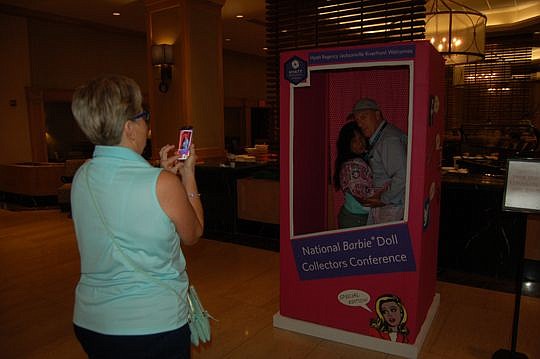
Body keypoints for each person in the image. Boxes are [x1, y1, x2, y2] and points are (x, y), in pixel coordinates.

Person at [70, 74, 204, 359]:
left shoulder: (82, 176)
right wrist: (188, 175)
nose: (147, 124)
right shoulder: (162, 184)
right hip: (152, 325)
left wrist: (162, 175)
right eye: (145, 116)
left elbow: (123, 209)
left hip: (91, 321)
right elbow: (193, 234)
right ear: (130, 128)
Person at [352, 98, 407, 224]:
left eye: (363, 117)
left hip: (391, 207)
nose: (359, 124)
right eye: (357, 120)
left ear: (377, 115)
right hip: (387, 205)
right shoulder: (383, 136)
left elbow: (402, 175)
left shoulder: (388, 140)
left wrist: (383, 199)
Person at [333, 121, 375, 228]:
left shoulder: (361, 159)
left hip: (356, 216)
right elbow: (362, 195)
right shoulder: (352, 166)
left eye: (361, 138)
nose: (360, 143)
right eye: (354, 141)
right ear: (347, 144)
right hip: (355, 218)